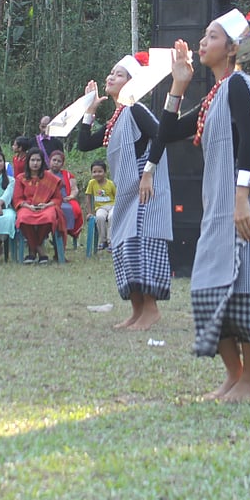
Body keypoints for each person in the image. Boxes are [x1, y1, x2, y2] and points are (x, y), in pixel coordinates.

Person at [159, 7, 250, 402]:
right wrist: (178, 86)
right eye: (204, 34)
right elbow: (166, 133)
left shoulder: (240, 86)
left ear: (233, 48)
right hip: (224, 207)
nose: (202, 41)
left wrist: (241, 197)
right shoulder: (216, 95)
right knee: (209, 288)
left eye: (212, 36)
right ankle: (234, 377)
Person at [78, 52, 173, 330]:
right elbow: (84, 144)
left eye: (118, 74)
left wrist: (148, 173)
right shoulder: (117, 119)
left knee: (140, 245)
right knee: (123, 247)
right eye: (111, 72)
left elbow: (161, 135)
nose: (110, 77)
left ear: (131, 83)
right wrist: (89, 109)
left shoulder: (136, 110)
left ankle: (151, 310)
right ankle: (136, 311)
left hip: (146, 189)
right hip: (128, 193)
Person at [13, 147, 64, 263]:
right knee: (23, 218)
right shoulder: (21, 178)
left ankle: (32, 251)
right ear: (28, 162)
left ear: (42, 162)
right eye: (32, 160)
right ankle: (40, 250)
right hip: (27, 206)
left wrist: (46, 205)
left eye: (38, 160)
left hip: (46, 206)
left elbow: (57, 199)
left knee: (49, 217)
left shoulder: (50, 178)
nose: (35, 163)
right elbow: (17, 199)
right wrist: (28, 206)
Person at [48, 148, 84, 243]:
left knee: (73, 209)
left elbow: (74, 189)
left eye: (59, 161)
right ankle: (56, 235)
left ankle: (64, 234)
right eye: (54, 160)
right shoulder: (44, 175)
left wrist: (71, 196)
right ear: (49, 161)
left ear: (62, 164)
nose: (56, 163)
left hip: (66, 199)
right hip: (49, 202)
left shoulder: (68, 175)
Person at [84, 160, 116, 250]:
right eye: (94, 172)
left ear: (105, 172)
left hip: (112, 206)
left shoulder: (110, 183)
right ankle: (103, 241)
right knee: (100, 217)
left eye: (100, 171)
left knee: (112, 217)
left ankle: (111, 241)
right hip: (100, 207)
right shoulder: (92, 183)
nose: (97, 174)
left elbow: (117, 197)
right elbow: (88, 197)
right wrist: (89, 212)